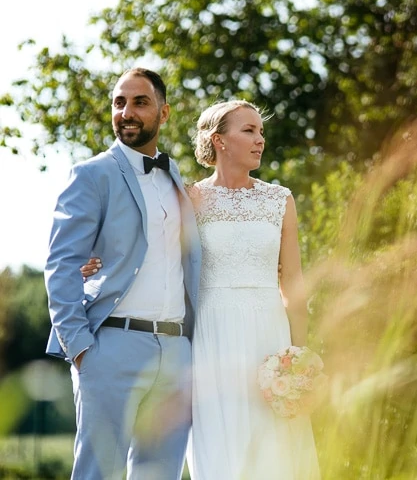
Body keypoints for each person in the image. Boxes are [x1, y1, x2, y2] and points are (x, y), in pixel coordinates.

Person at [82, 100, 320, 478]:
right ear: (219, 140)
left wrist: (300, 358)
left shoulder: (281, 199)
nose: (260, 140)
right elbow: (149, 256)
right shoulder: (189, 198)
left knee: (277, 448)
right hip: (210, 337)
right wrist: (94, 263)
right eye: (249, 130)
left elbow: (293, 284)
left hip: (270, 337)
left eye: (261, 132)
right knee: (221, 445)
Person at [45, 67, 202, 479]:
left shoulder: (177, 180)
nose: (126, 112)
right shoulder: (91, 175)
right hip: (110, 346)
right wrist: (80, 348)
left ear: (164, 113)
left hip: (176, 353)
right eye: (119, 102)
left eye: (139, 102)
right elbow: (61, 265)